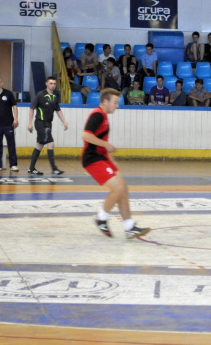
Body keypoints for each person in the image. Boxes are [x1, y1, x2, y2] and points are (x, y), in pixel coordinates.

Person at [82, 88, 151, 240]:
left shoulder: (104, 116)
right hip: (92, 159)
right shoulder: (98, 115)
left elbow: (101, 142)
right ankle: (101, 218)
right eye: (115, 102)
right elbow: (86, 135)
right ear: (105, 102)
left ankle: (129, 227)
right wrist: (107, 146)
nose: (117, 106)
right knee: (118, 188)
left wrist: (111, 160)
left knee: (123, 189)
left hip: (102, 157)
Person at [27, 76, 69, 175]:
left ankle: (31, 168)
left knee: (39, 145)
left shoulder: (55, 96)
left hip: (48, 124)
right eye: (51, 83)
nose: (53, 85)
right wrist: (30, 123)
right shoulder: (40, 95)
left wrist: (64, 121)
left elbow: (58, 110)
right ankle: (54, 169)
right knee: (51, 143)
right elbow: (32, 108)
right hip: (40, 123)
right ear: (46, 84)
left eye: (54, 84)